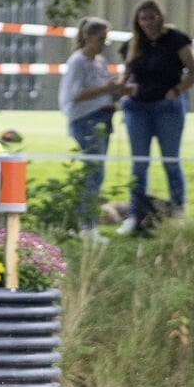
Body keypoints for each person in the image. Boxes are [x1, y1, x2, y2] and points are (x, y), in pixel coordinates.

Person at [120, 0, 194, 233]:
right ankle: (135, 215)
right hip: (138, 108)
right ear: (137, 21)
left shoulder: (176, 40)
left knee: (171, 161)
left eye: (152, 18)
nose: (148, 23)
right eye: (143, 19)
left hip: (167, 107)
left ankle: (177, 211)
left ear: (160, 17)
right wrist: (123, 90)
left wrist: (176, 91)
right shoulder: (132, 45)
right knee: (139, 164)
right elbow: (125, 76)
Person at [58, 18, 125, 231]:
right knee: (93, 172)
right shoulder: (78, 61)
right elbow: (74, 93)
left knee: (97, 172)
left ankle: (88, 220)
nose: (103, 44)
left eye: (106, 39)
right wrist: (107, 87)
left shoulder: (100, 61)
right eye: (100, 39)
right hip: (86, 120)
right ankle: (86, 224)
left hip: (103, 119)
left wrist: (119, 89)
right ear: (87, 37)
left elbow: (104, 89)